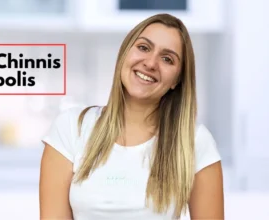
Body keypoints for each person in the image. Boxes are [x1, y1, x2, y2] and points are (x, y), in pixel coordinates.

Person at [39, 13, 224, 220]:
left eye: (167, 59)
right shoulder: (71, 128)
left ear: (177, 80)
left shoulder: (195, 141)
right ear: (124, 53)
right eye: (143, 48)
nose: (151, 63)